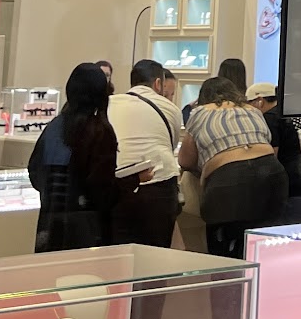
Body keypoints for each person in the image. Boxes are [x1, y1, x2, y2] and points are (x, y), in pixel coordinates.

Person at [178, 76, 285, 257]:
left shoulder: (200, 112)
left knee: (223, 250)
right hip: (272, 176)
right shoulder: (253, 110)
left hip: (229, 182)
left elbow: (185, 161)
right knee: (259, 245)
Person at [27, 62, 122, 251]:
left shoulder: (54, 126)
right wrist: (133, 180)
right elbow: (102, 191)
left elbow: (35, 172)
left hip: (50, 224)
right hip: (86, 229)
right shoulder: (99, 130)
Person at [108, 60, 181, 248]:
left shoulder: (111, 103)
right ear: (158, 83)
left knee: (120, 249)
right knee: (156, 249)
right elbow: (171, 144)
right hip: (159, 184)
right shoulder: (169, 107)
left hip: (120, 184)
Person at [248, 82, 301, 223]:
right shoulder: (297, 113)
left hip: (296, 196)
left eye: (249, 104)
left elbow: (270, 160)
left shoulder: (271, 118)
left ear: (259, 101)